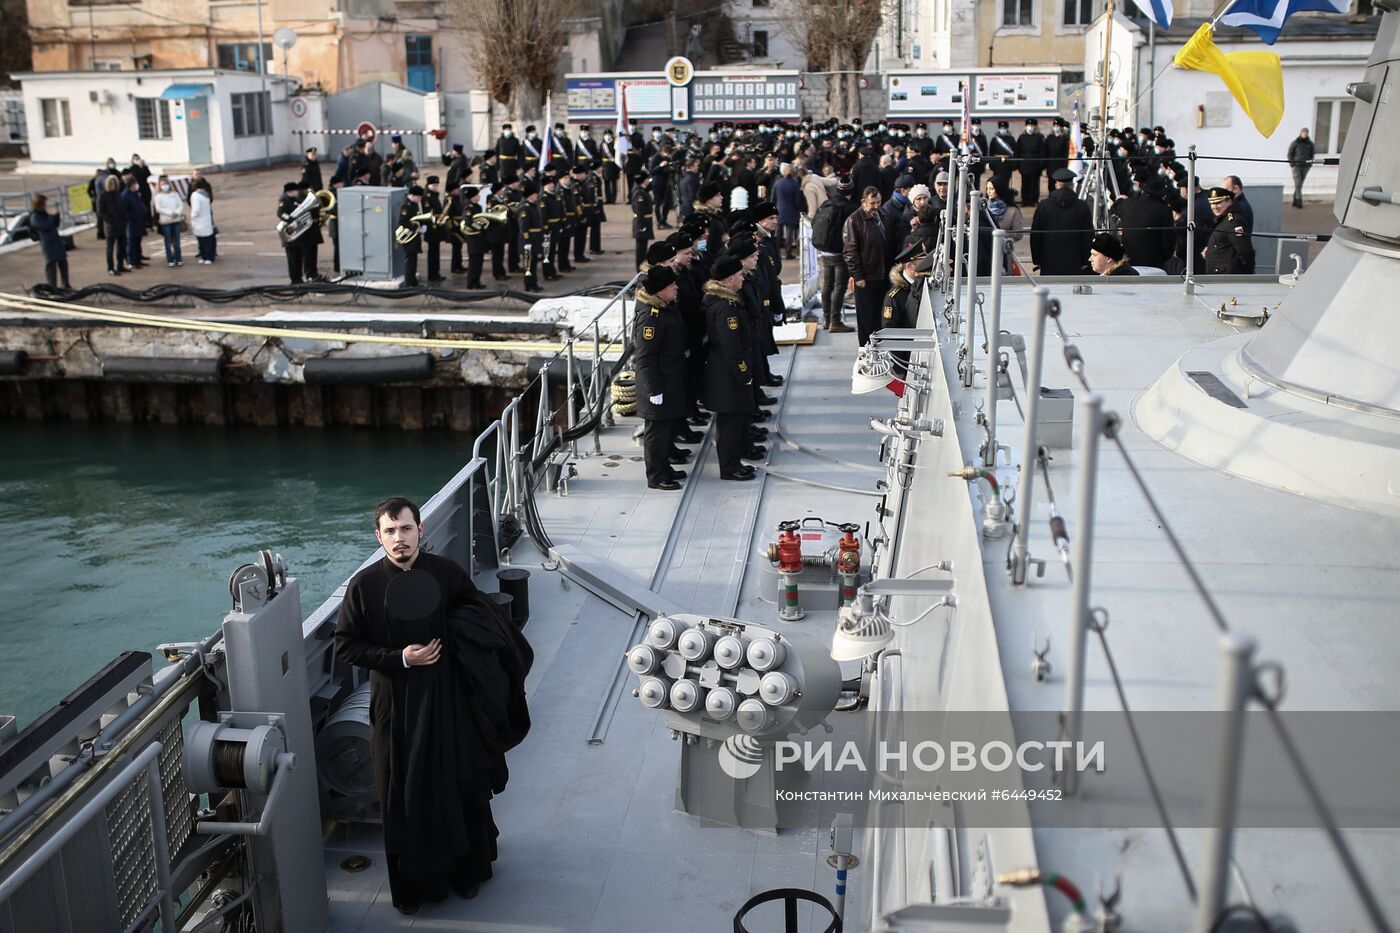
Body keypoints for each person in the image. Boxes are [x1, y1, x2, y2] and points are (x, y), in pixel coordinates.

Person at [334, 496, 530, 916]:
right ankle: (417, 885)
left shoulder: (446, 572)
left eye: (406, 529)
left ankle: (467, 872)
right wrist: (402, 657)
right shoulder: (364, 586)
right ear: (378, 537)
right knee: (405, 793)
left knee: (460, 781)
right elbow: (347, 646)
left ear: (420, 530)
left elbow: (480, 616)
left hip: (449, 699)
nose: (399, 538)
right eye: (390, 531)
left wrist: (456, 635)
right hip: (396, 708)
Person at [702, 254, 759, 482]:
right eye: (738, 276)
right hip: (727, 373)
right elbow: (730, 346)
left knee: (737, 418)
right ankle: (729, 467)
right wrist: (743, 372)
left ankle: (735, 461)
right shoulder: (725, 308)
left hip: (727, 369)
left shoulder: (726, 302)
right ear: (728, 280)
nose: (742, 279)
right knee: (730, 423)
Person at [632, 265, 689, 490]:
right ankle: (656, 476)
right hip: (658, 382)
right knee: (656, 432)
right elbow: (645, 358)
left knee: (666, 429)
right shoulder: (651, 317)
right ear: (659, 290)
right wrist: (653, 390)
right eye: (671, 285)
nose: (676, 287)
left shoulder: (666, 307)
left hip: (670, 377)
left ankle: (665, 468)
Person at [842, 186, 892, 345]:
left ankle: (880, 345)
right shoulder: (854, 220)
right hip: (867, 276)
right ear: (863, 202)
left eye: (879, 202)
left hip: (883, 274)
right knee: (867, 317)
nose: (876, 206)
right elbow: (850, 251)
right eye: (872, 203)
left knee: (880, 315)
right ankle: (865, 348)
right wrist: (858, 275)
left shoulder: (883, 215)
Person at [811, 176, 856, 333]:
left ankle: (827, 319)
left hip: (825, 250)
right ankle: (835, 321)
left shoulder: (826, 204)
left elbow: (814, 222)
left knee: (827, 285)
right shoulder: (850, 208)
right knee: (839, 286)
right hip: (839, 252)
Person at [1029, 168, 1093, 275]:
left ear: (1056, 185)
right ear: (1072, 185)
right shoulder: (1082, 206)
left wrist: (1037, 259)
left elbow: (1035, 235)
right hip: (1075, 262)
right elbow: (1088, 236)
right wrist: (1086, 260)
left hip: (1049, 261)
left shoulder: (1044, 206)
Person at [1109, 178, 1175, 270]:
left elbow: (1113, 209)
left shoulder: (1126, 204)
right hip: (1153, 263)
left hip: (1128, 260)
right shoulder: (1164, 210)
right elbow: (1168, 242)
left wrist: (1119, 200)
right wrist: (1163, 258)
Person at [1202, 186, 1254, 274]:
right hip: (1217, 274)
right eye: (1212, 203)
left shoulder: (1234, 222)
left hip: (1227, 275)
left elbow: (1244, 250)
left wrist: (1247, 275)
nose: (1214, 207)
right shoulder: (1222, 220)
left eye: (1218, 203)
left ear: (1229, 201)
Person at [29, 194, 70, 289]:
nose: (45, 206)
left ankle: (66, 285)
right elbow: (46, 226)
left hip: (56, 241)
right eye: (44, 204)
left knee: (63, 262)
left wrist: (57, 215)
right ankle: (52, 287)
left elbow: (55, 224)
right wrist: (52, 216)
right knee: (51, 266)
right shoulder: (35, 217)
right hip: (47, 244)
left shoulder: (44, 214)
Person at [984, 177, 1024, 273]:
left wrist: (1001, 236)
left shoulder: (1013, 211)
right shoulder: (984, 208)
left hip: (1004, 252)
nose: (989, 192)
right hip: (985, 251)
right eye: (987, 188)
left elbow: (1018, 233)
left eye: (992, 189)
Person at [397, 185, 428, 288]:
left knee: (413, 260)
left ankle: (413, 282)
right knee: (410, 261)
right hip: (408, 237)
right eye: (418, 197)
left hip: (414, 237)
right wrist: (415, 228)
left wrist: (422, 224)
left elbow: (417, 217)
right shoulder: (406, 206)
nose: (419, 199)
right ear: (413, 196)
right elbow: (402, 221)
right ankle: (409, 283)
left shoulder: (414, 204)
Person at [97, 175, 127, 276]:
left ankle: (120, 265)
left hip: (121, 224)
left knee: (121, 246)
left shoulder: (118, 195)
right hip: (110, 226)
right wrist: (110, 221)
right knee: (110, 248)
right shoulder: (103, 196)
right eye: (111, 184)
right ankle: (110, 268)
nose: (113, 185)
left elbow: (122, 208)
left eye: (114, 183)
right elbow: (101, 212)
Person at [772, 164, 802, 260]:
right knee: (789, 233)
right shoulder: (795, 184)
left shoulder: (777, 183)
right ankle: (788, 253)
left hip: (779, 209)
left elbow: (773, 198)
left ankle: (776, 253)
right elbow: (797, 201)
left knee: (778, 233)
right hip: (791, 210)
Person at [153, 178, 185, 268]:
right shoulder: (158, 196)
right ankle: (170, 259)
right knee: (168, 240)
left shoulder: (175, 194)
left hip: (176, 219)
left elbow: (180, 204)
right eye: (162, 184)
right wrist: (170, 213)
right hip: (166, 220)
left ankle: (178, 259)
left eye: (166, 184)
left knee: (177, 241)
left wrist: (177, 212)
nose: (165, 186)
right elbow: (158, 208)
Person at [1015, 119, 1046, 206]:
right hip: (1024, 164)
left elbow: (1043, 151)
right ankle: (1025, 200)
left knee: (1034, 184)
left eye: (1032, 125)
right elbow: (1017, 151)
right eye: (1029, 125)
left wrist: (1042, 164)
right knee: (1025, 184)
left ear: (1035, 127)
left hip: (1035, 164)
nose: (1030, 127)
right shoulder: (1022, 137)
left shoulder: (1040, 137)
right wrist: (1017, 164)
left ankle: (1034, 200)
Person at [121, 178, 147, 271]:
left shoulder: (134, 194)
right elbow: (124, 211)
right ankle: (132, 261)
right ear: (132, 185)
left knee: (138, 241)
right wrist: (132, 218)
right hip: (131, 223)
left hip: (139, 221)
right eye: (135, 184)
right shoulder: (125, 195)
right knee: (132, 242)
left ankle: (138, 259)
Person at [631, 172, 655, 270]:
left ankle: (642, 266)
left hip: (645, 222)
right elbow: (639, 211)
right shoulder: (639, 193)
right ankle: (640, 268)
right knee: (641, 249)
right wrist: (641, 226)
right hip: (642, 223)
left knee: (643, 247)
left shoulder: (643, 190)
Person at [1287, 129, 1314, 208]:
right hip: (1297, 166)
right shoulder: (1295, 143)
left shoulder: (1310, 144)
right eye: (1303, 133)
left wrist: (1310, 164)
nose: (1305, 134)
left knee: (1300, 184)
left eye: (1306, 133)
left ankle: (1295, 200)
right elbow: (1290, 154)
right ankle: (1299, 201)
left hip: (1305, 166)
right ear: (1301, 133)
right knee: (1298, 184)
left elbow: (1312, 154)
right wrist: (1292, 164)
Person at [190, 180, 216, 264]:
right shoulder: (206, 195)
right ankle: (208, 257)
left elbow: (196, 209)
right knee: (207, 240)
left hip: (199, 221)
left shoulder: (195, 195)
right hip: (206, 220)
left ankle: (205, 257)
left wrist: (193, 216)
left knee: (201, 241)